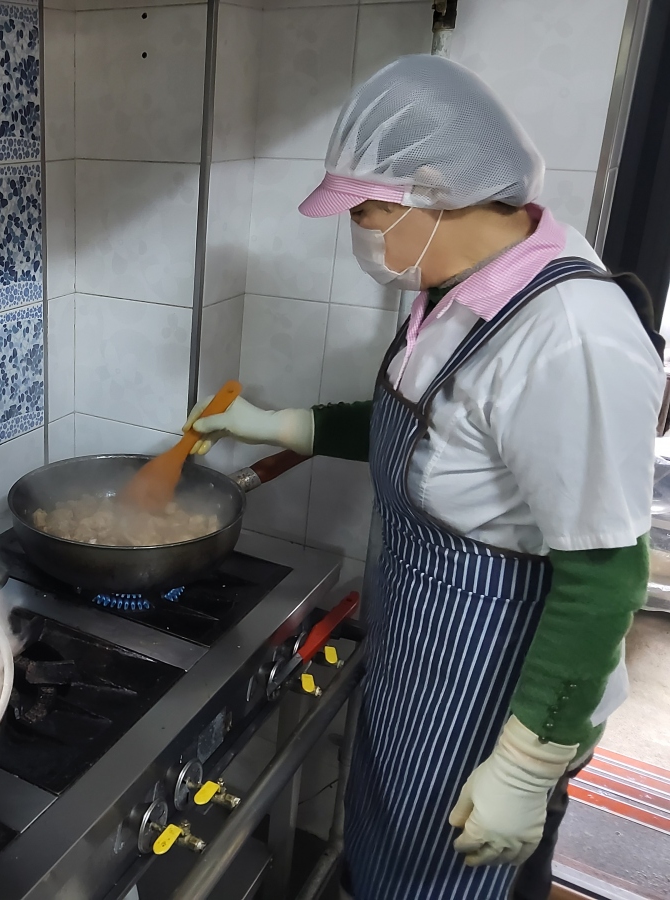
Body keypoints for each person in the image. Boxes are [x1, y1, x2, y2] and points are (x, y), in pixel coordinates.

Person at [186, 55, 664, 900]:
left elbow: (605, 579)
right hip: (420, 661)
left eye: (365, 211)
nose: (359, 234)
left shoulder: (570, 335)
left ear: (436, 193)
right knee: (388, 860)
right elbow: (428, 428)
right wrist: (282, 425)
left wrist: (527, 765)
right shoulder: (456, 285)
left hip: (503, 697)